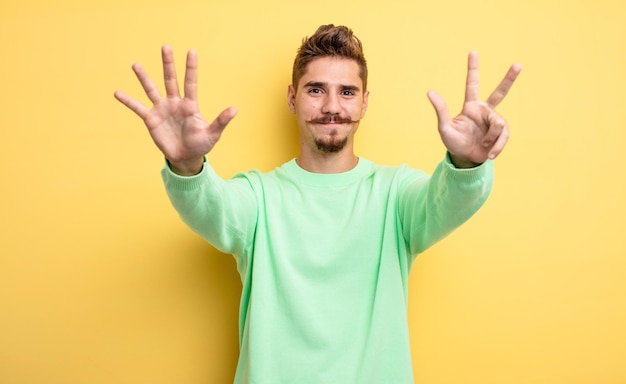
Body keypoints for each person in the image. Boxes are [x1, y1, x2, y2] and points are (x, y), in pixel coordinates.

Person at [114, 24, 521, 384]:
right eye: (315, 90)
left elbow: (446, 200)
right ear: (292, 98)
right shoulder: (258, 197)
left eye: (347, 92)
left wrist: (467, 162)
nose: (331, 106)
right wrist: (186, 165)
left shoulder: (396, 194)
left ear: (364, 103)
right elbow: (211, 207)